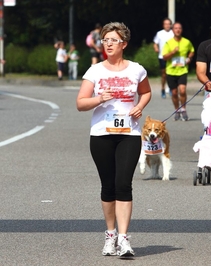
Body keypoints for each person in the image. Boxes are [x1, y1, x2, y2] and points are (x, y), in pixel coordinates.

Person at [76, 22, 151, 258]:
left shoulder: (136, 69)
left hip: (129, 133)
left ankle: (124, 239)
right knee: (108, 186)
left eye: (113, 40)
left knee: (123, 184)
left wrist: (139, 106)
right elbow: (80, 103)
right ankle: (110, 235)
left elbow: (146, 92)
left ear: (124, 44)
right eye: (105, 40)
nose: (108, 44)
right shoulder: (95, 71)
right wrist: (99, 99)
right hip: (101, 134)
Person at [162, 22, 195, 121]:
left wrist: (189, 58)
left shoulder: (186, 42)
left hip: (182, 70)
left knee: (183, 90)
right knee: (174, 93)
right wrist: (173, 52)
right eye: (175, 28)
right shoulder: (168, 42)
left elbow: (192, 51)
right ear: (172, 30)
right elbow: (164, 57)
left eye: (179, 28)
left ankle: (183, 109)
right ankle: (177, 110)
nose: (177, 30)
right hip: (171, 71)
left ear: (182, 30)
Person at [153, 18, 174, 99]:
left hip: (172, 57)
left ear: (171, 25)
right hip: (162, 56)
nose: (167, 25)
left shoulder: (173, 33)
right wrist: (156, 48)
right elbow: (155, 43)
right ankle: (163, 89)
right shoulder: (159, 33)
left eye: (169, 24)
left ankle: (171, 88)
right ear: (163, 25)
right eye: (166, 24)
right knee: (164, 74)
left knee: (171, 74)